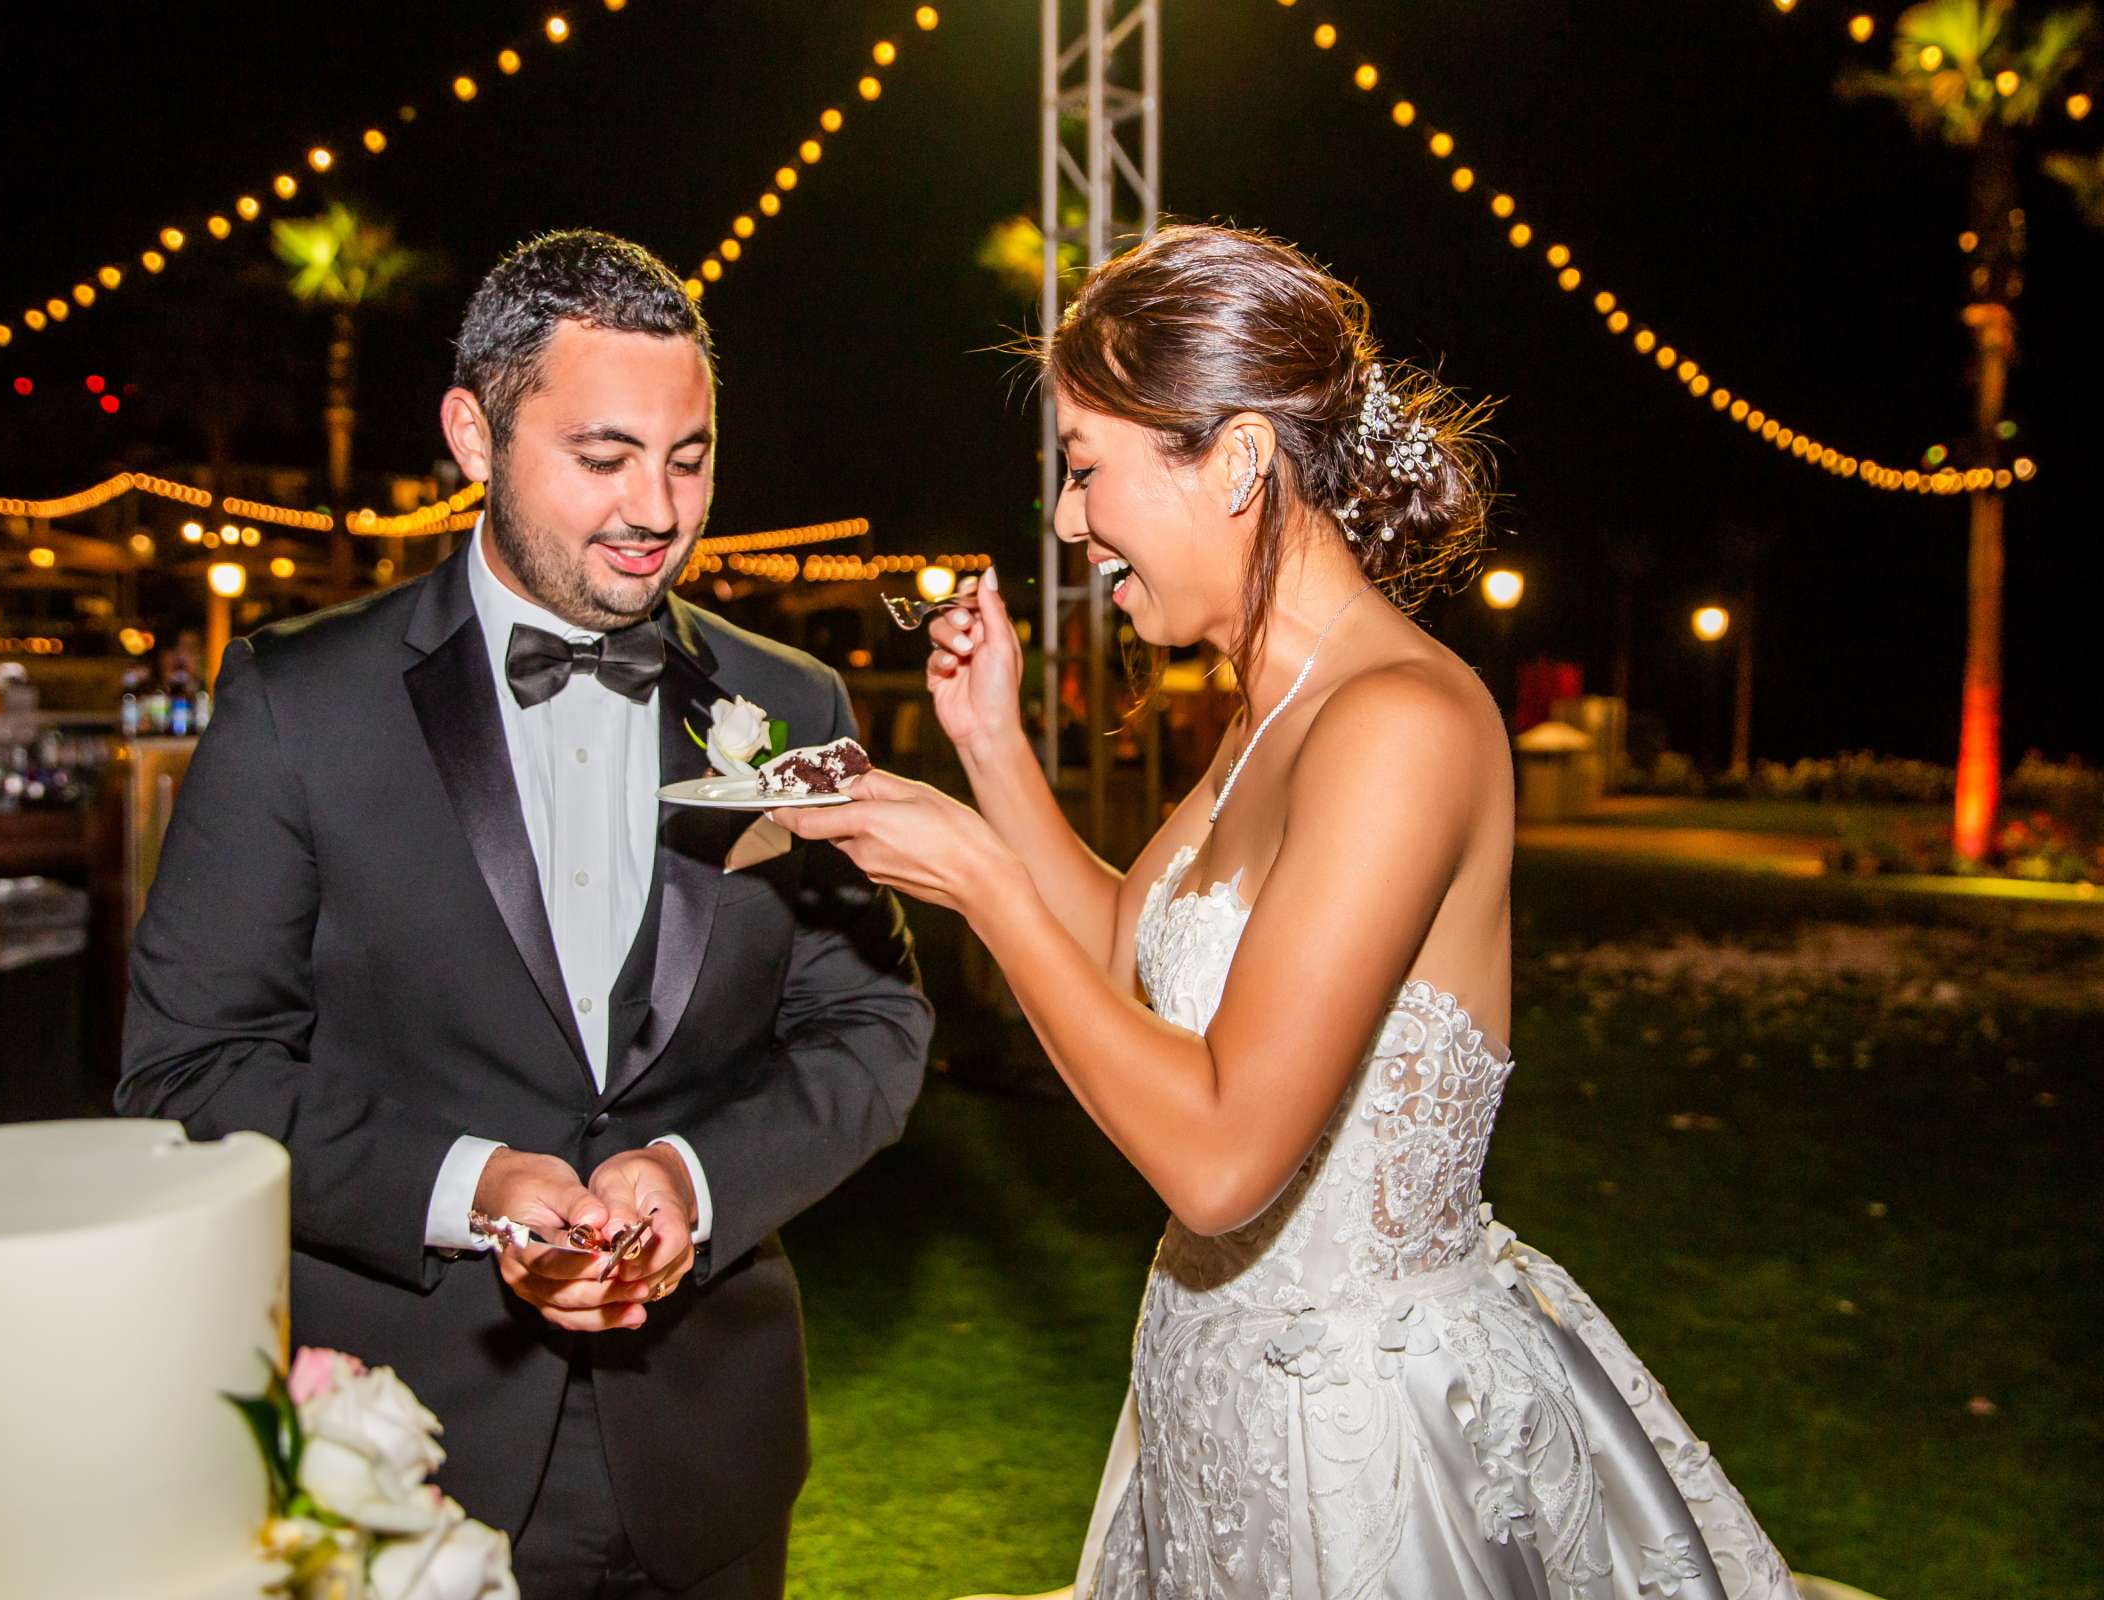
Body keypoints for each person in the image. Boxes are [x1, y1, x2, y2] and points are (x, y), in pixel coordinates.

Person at [775, 224, 1801, 1599]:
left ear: (1241, 460)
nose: (1071, 522)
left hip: (1364, 1456)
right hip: (1217, 1411)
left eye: (1087, 469)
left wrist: (972, 876)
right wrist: (994, 749)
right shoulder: (1274, 714)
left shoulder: (1398, 723)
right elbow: (1126, 970)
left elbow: (1218, 1160)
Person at [120, 229, 932, 1600]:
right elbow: (189, 1070)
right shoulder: (299, 702)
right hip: (404, 1457)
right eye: (604, 458)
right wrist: (473, 1189)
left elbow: (872, 1022)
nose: (658, 510)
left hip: (709, 1456)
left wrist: (693, 1177)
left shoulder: (792, 703)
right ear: (472, 434)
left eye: (690, 458)